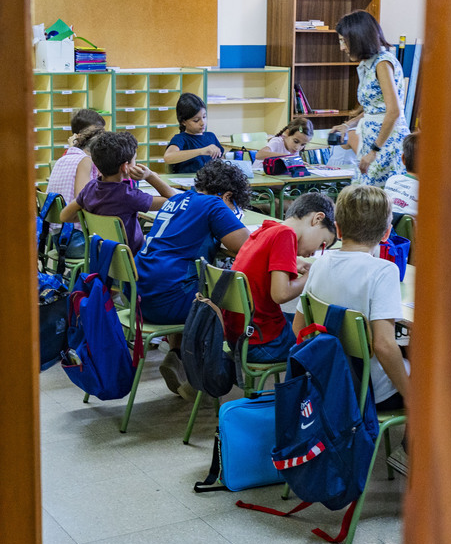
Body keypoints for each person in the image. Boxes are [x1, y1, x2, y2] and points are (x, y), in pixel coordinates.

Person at [292, 184, 411, 470]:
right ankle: (410, 453)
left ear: (339, 229)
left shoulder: (320, 264)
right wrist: (412, 395)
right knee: (435, 379)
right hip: (369, 389)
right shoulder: (383, 271)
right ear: (385, 234)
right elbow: (383, 345)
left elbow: (298, 329)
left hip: (330, 380)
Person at [135, 160, 252, 398]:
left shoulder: (179, 199)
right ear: (227, 195)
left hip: (139, 296)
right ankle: (199, 373)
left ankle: (177, 354)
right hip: (166, 301)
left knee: (192, 282)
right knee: (222, 299)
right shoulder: (214, 204)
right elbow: (245, 245)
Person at [227, 192, 338, 364]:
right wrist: (312, 274)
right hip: (262, 342)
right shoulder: (286, 235)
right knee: (328, 337)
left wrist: (292, 261)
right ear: (317, 219)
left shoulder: (267, 229)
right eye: (322, 243)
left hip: (239, 336)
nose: (315, 252)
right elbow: (281, 294)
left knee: (303, 321)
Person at [331, 10, 410, 188]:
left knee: (371, 200)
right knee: (362, 194)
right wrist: (348, 124)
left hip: (386, 143)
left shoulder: (382, 63)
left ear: (359, 38)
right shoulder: (368, 64)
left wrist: (375, 150)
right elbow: (374, 108)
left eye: (344, 41)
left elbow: (394, 111)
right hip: (373, 140)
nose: (342, 48)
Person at [60, 132, 176, 251]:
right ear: (125, 167)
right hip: (132, 260)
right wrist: (150, 176)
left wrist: (93, 220)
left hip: (102, 257)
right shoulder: (129, 196)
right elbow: (174, 200)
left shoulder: (90, 188)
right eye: (134, 160)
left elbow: (64, 216)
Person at [47, 109, 106, 204]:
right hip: (72, 217)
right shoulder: (84, 161)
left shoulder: (65, 158)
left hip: (56, 217)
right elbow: (83, 201)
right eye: (97, 132)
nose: (101, 136)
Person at [164, 93, 224, 174]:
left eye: (204, 117)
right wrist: (200, 151)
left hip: (210, 182)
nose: (202, 123)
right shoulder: (181, 138)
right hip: (189, 184)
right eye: (196, 120)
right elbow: (168, 157)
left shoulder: (211, 136)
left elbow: (221, 159)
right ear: (183, 122)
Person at [384, 131, 419, 224]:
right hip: (413, 237)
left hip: (385, 234)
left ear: (403, 159)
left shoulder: (392, 180)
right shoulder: (428, 192)